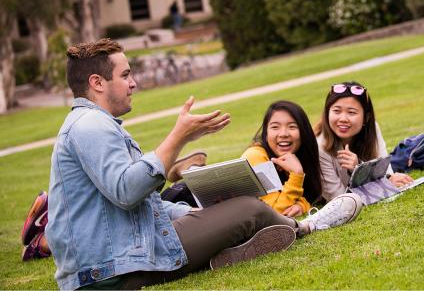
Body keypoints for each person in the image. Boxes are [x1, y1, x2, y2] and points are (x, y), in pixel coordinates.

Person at [45, 39, 362, 290]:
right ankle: (309, 226)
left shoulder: (97, 125)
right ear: (97, 82)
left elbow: (143, 205)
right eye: (126, 74)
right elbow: (127, 191)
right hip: (112, 274)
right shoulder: (89, 126)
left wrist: (201, 215)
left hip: (125, 258)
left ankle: (230, 250)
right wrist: (178, 136)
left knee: (230, 213)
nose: (134, 83)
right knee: (247, 209)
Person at [315, 81, 413, 201]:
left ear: (366, 118)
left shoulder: (373, 129)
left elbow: (384, 168)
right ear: (327, 113)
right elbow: (339, 199)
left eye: (351, 112)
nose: (343, 119)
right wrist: (359, 170)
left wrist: (390, 178)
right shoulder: (319, 147)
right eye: (336, 111)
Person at [242, 100, 323, 217]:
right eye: (275, 127)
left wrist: (301, 205)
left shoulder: (303, 154)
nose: (283, 133)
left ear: (303, 132)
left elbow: (312, 196)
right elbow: (273, 212)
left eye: (292, 126)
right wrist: (296, 175)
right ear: (266, 133)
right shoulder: (255, 156)